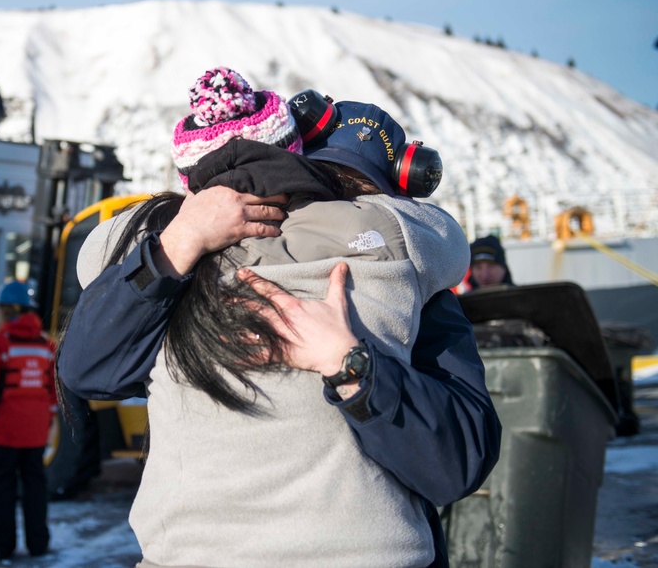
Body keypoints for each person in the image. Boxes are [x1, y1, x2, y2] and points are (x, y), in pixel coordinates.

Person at [58, 75, 501, 567]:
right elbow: (87, 369)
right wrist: (180, 243)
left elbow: (456, 463)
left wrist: (349, 365)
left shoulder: (412, 288)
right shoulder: (191, 254)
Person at [0, 281, 56, 563]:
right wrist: (51, 418)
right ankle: (38, 544)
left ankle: (3, 548)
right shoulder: (46, 345)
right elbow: (54, 388)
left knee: (3, 488)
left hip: (4, 431)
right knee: (35, 487)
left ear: (4, 311)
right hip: (35, 431)